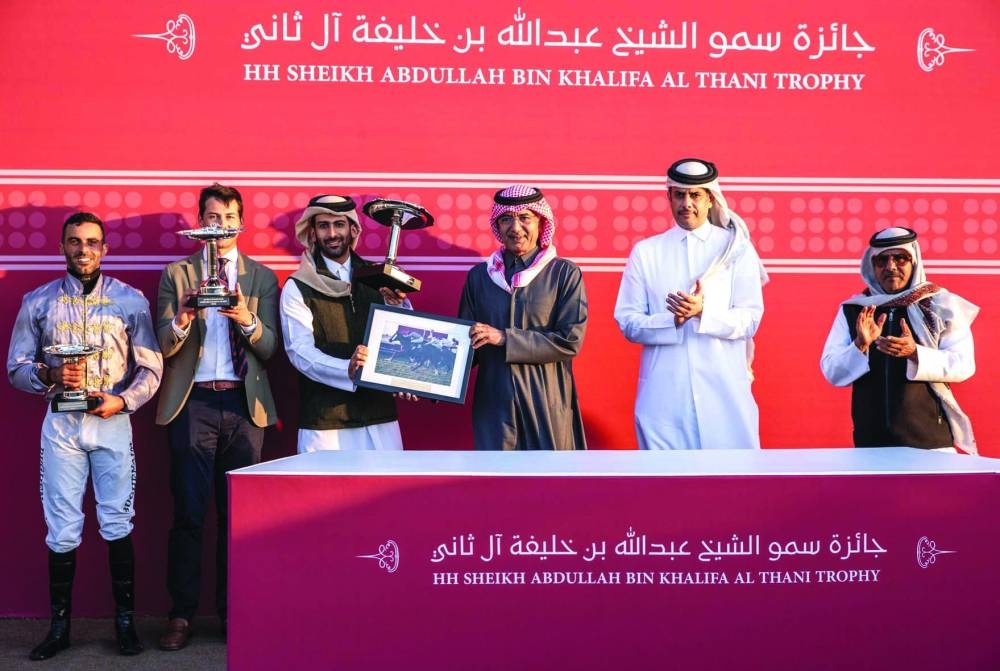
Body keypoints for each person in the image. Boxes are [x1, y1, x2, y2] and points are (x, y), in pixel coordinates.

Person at [7, 212, 162, 659]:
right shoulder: (37, 301)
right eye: (75, 241)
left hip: (111, 422)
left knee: (117, 521)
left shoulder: (130, 300)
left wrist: (123, 401)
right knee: (61, 528)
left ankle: (125, 625)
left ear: (105, 249)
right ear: (62, 246)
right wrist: (50, 375)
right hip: (61, 425)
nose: (84, 249)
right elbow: (16, 367)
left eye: (92, 242)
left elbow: (151, 367)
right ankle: (59, 629)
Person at [154, 183, 279, 650]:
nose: (220, 225)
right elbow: (164, 346)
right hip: (194, 405)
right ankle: (181, 614)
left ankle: (234, 612)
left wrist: (246, 317)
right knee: (188, 513)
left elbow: (270, 348)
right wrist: (184, 318)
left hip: (245, 407)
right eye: (212, 216)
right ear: (200, 221)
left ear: (240, 222)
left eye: (228, 217)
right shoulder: (177, 274)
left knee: (239, 517)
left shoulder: (261, 277)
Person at [614, 158, 767, 450]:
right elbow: (628, 321)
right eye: (679, 195)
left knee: (732, 476)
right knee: (665, 478)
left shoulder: (736, 249)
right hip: (663, 401)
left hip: (725, 397)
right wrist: (671, 321)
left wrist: (703, 313)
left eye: (695, 195)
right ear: (669, 197)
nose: (687, 203)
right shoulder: (646, 252)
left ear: (710, 199)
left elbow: (750, 319)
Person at [820, 227, 978, 452]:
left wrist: (915, 353)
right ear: (872, 265)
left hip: (930, 447)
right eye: (882, 260)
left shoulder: (939, 305)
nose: (891, 266)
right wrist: (859, 345)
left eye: (900, 258)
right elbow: (832, 372)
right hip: (871, 449)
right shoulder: (855, 310)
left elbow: (963, 365)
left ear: (914, 262)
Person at [458, 185, 588, 450]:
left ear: (541, 222)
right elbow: (463, 347)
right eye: (506, 219)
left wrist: (505, 338)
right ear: (497, 225)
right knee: (495, 476)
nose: (515, 228)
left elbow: (570, 341)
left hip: (546, 403)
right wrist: (420, 378)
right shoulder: (480, 277)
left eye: (525, 218)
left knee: (549, 474)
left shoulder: (563, 274)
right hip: (494, 407)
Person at [279, 194, 410, 452]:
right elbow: (299, 352)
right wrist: (346, 369)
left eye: (339, 224)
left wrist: (398, 306)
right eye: (323, 226)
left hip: (381, 419)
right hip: (326, 424)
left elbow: (401, 336)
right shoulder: (298, 285)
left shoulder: (379, 277)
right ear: (312, 232)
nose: (332, 234)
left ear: (353, 230)